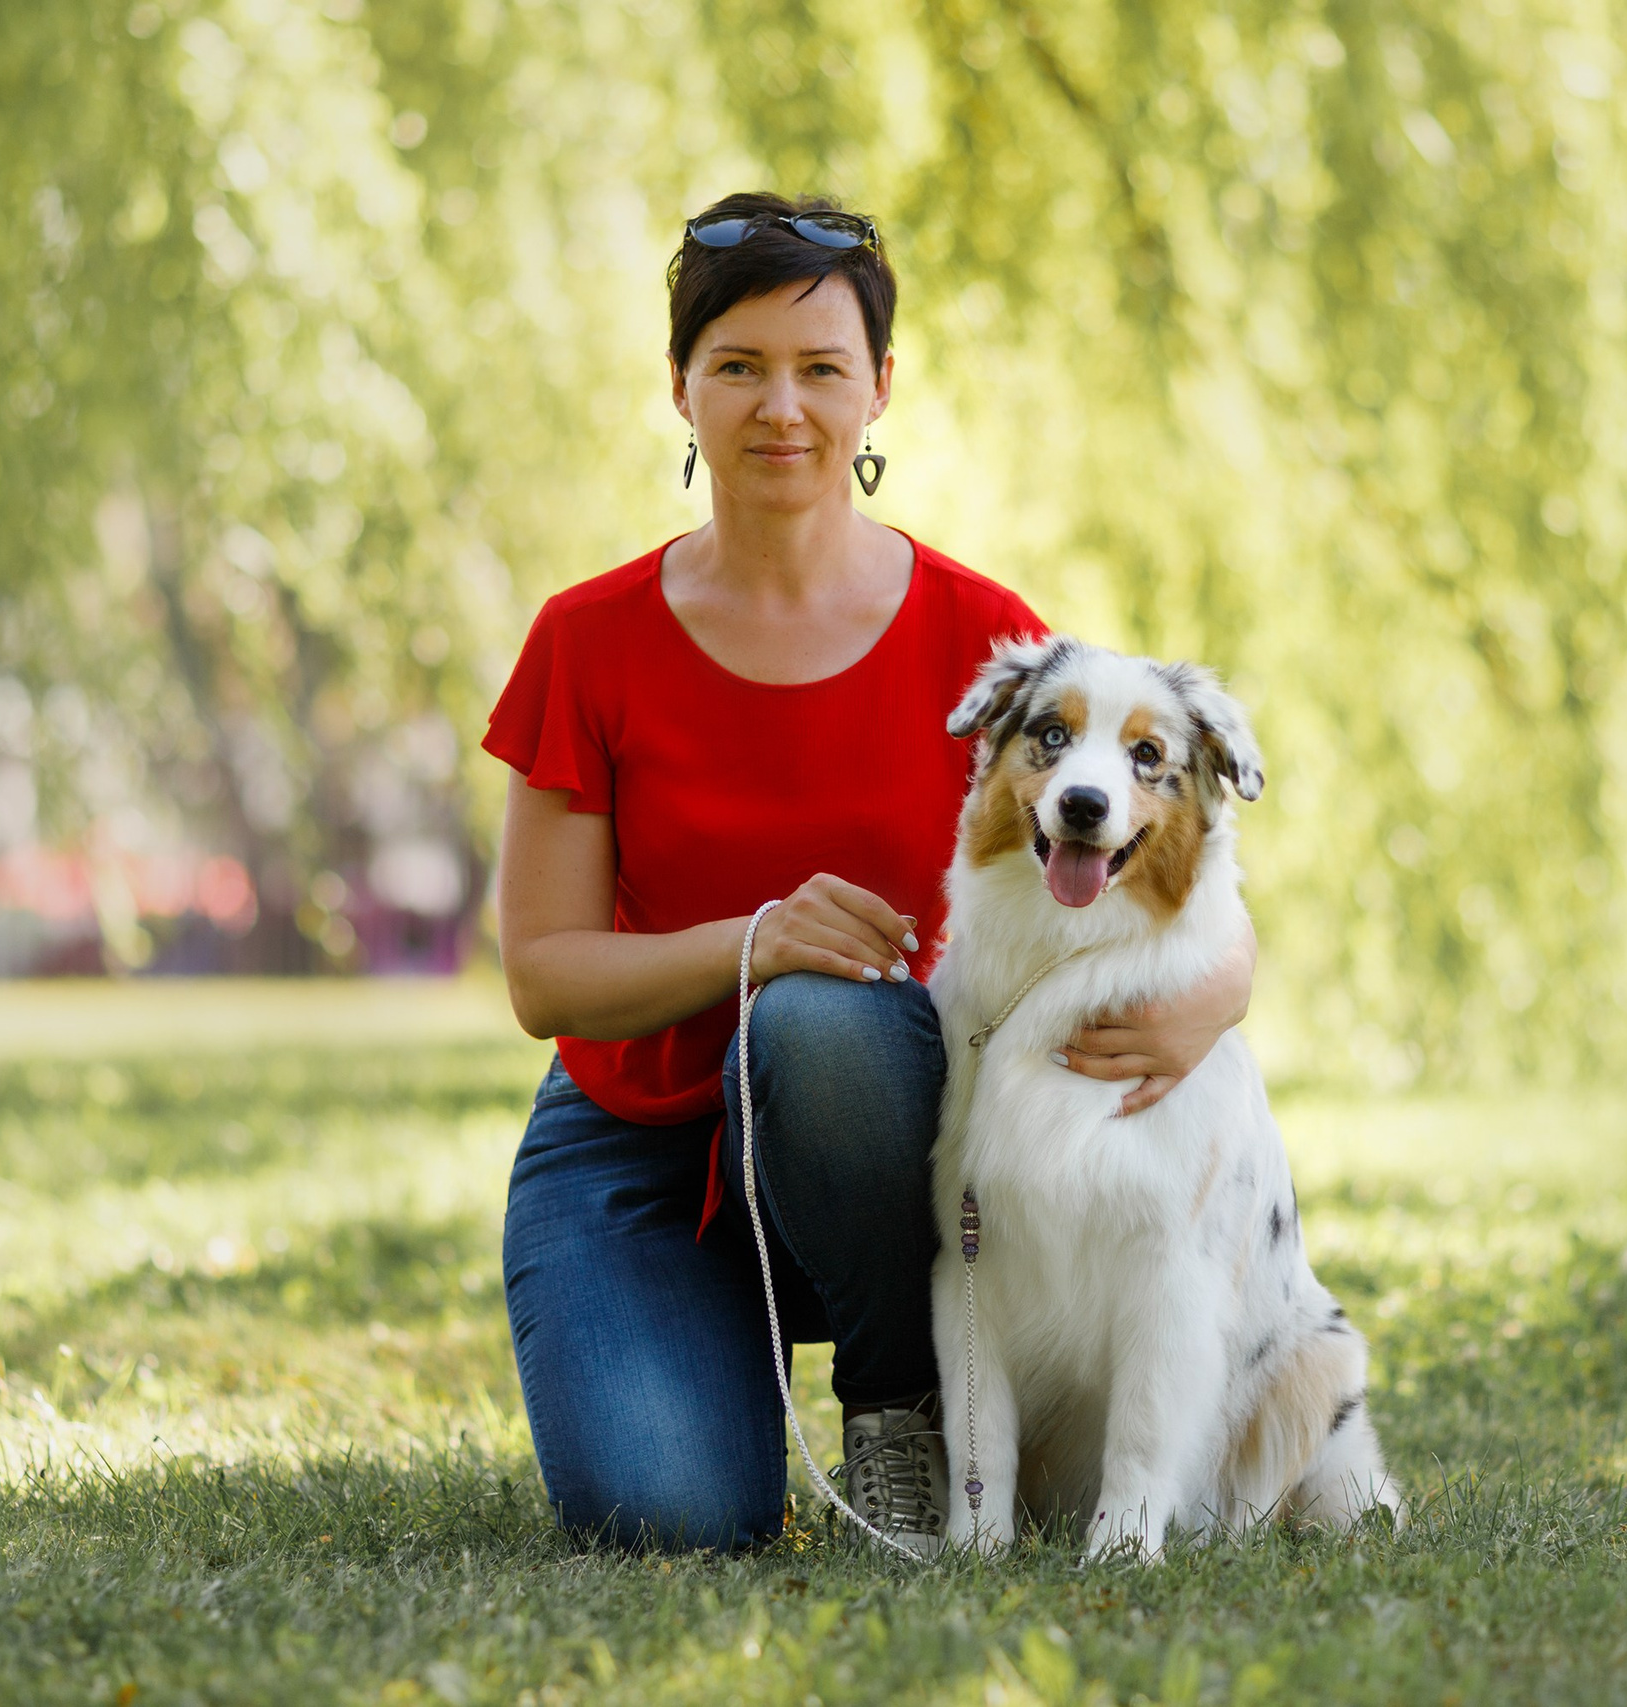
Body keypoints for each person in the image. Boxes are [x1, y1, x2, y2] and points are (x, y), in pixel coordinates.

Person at [486, 191, 1256, 1554]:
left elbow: (1151, 838)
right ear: (680, 385)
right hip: (637, 1145)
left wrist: (1224, 986)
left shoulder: (988, 638)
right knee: (667, 1515)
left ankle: (897, 1400)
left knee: (821, 1030)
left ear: (880, 386)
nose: (781, 407)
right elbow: (544, 977)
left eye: (821, 368)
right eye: (738, 365)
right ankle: (706, 1346)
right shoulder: (585, 639)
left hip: (883, 1127)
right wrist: (757, 937)